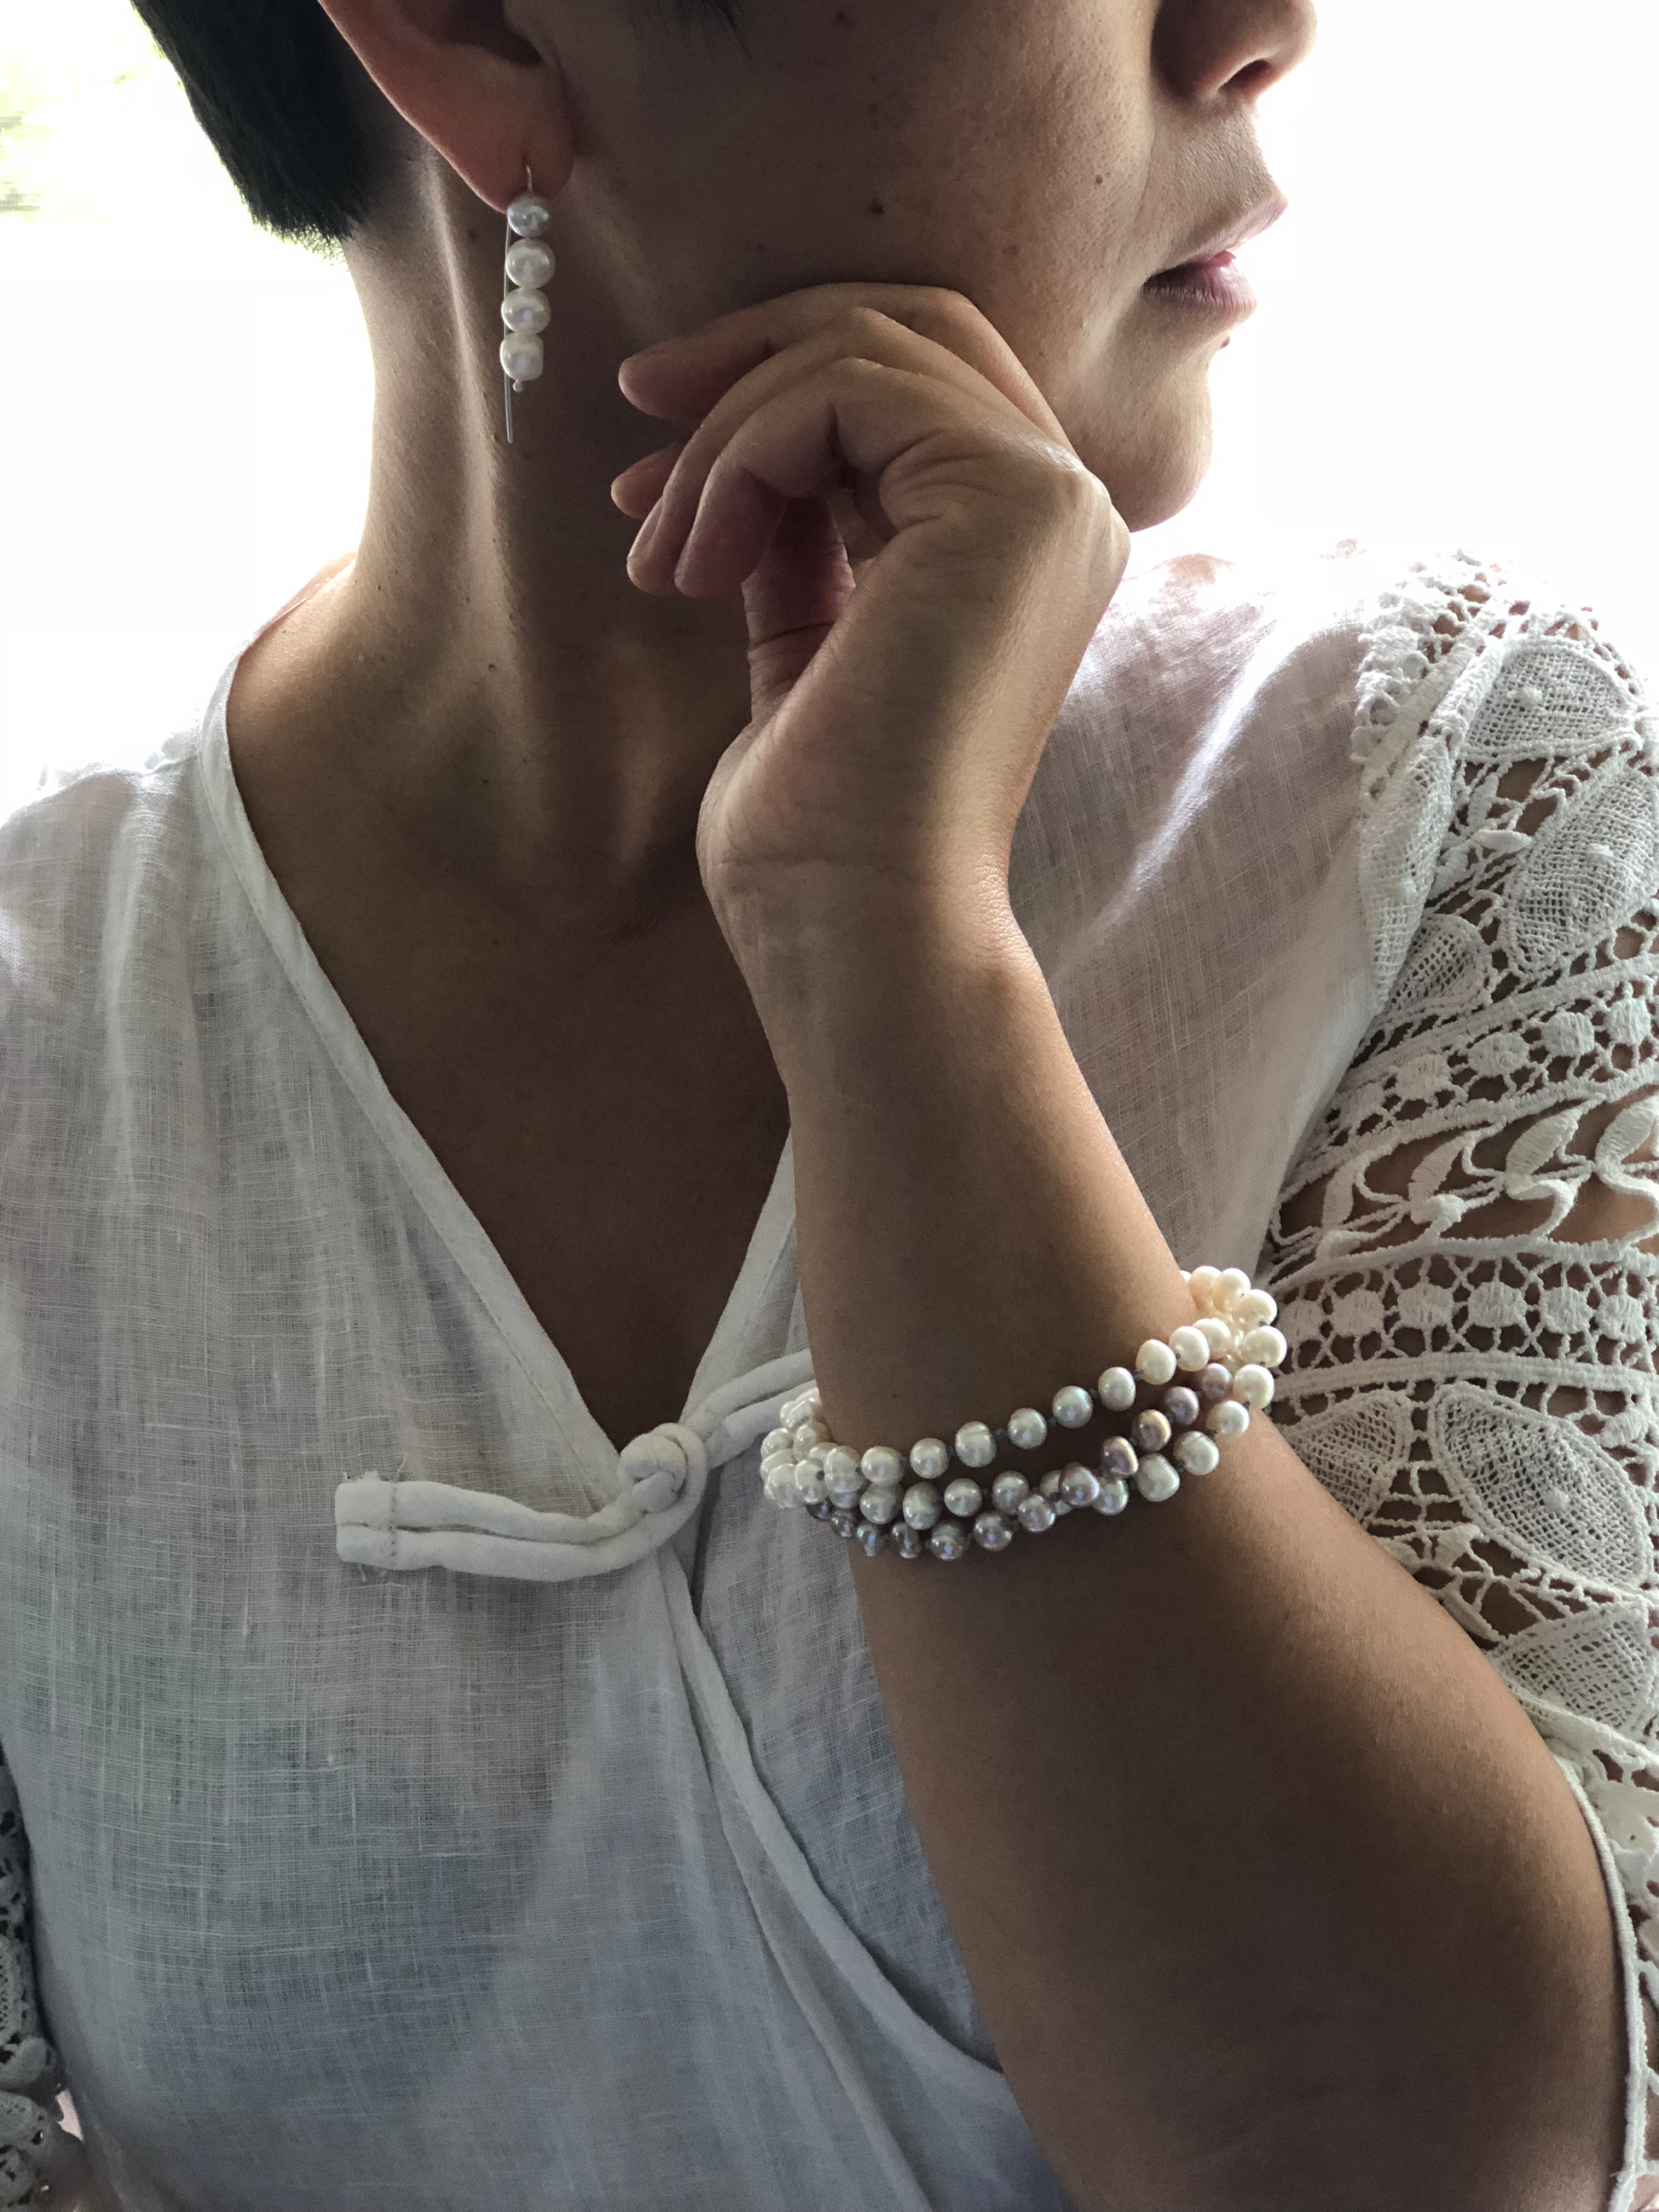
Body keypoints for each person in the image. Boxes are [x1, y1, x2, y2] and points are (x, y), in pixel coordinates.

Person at [0, 1, 1656, 2207]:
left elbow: (1442, 2173)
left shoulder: (1439, 809)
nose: (1263, 27)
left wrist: (890, 955)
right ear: (473, 32)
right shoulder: (48, 1044)